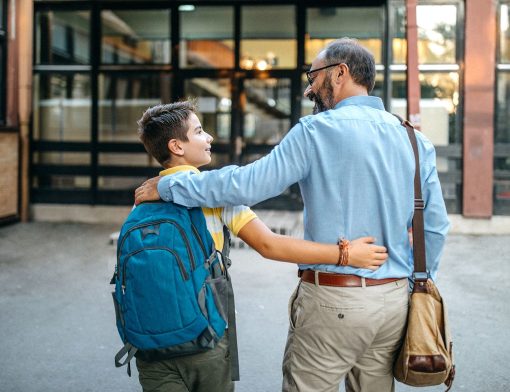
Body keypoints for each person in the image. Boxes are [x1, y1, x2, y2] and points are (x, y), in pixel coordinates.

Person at [135, 38, 450, 392]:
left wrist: (168, 187)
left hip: (336, 303)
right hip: (394, 301)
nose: (309, 87)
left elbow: (248, 185)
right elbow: (435, 227)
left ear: (340, 73)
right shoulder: (414, 140)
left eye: (313, 76)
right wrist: (411, 287)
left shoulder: (316, 131)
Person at [133, 100, 389, 392]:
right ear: (177, 146)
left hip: (149, 342)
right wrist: (345, 254)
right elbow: (269, 245)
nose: (210, 138)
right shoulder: (214, 194)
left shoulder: (145, 197)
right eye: (200, 131)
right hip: (204, 334)